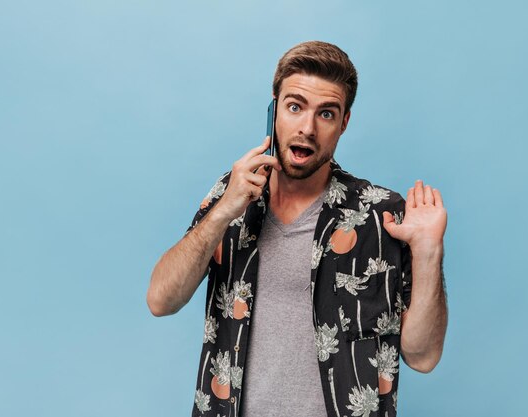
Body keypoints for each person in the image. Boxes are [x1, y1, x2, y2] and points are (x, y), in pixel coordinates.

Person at [147, 41, 448, 417]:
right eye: (295, 107)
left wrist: (429, 252)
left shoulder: (381, 215)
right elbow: (161, 300)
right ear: (274, 109)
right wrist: (224, 210)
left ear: (344, 123)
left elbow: (423, 356)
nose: (307, 128)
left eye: (326, 114)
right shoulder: (233, 195)